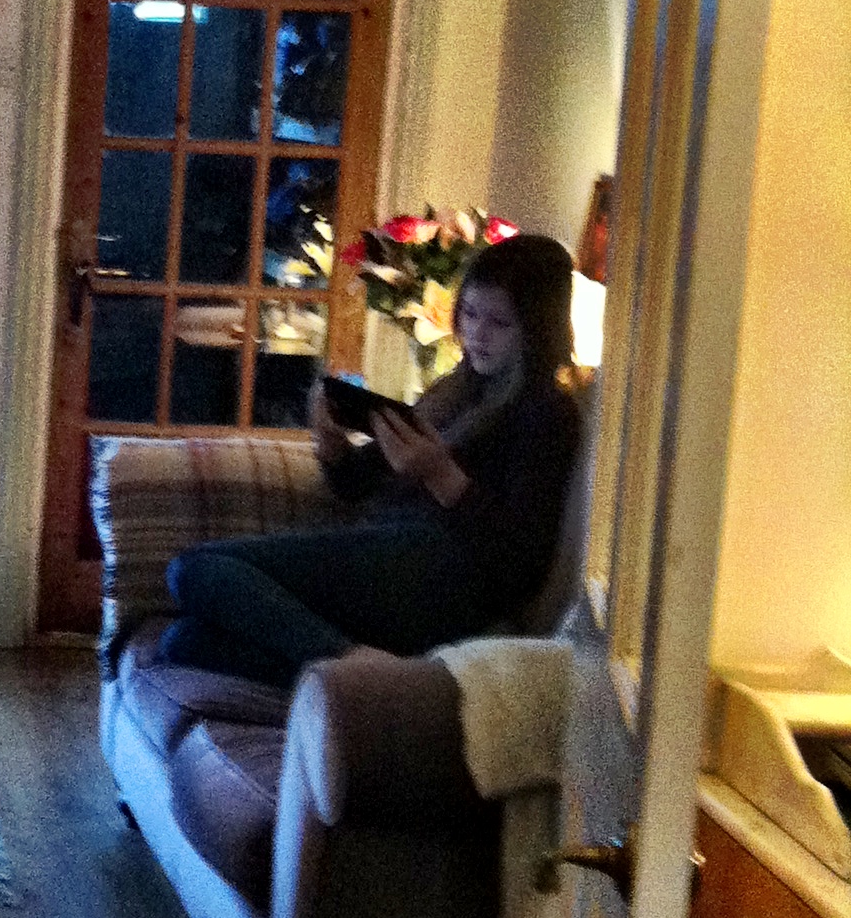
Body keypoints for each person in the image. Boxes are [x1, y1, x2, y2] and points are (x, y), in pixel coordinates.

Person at [161, 231, 584, 686]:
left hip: (442, 579)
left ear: (536, 330)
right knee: (183, 641)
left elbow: (520, 561)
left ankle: (354, 665)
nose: (477, 334)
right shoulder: (457, 390)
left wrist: (442, 476)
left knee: (193, 569)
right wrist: (330, 442)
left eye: (499, 323)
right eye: (470, 313)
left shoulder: (547, 412)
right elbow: (355, 484)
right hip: (390, 557)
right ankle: (367, 671)